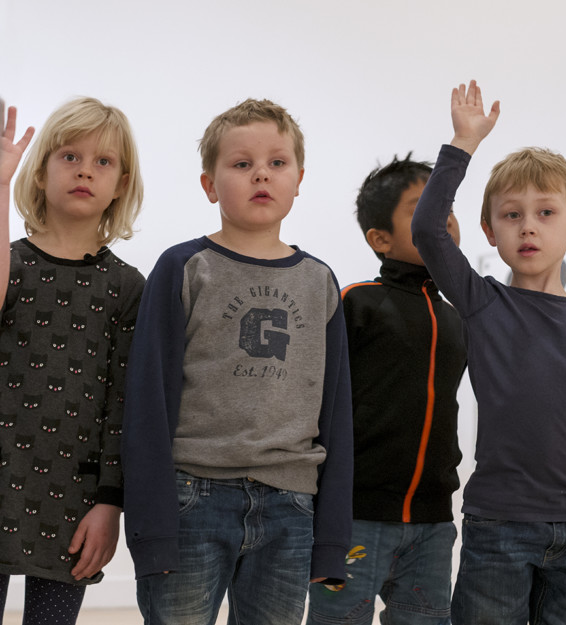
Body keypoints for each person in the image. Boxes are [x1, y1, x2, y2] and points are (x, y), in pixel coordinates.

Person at [411, 80, 566, 625]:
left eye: (545, 213)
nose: (528, 226)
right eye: (511, 215)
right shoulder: (482, 300)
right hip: (499, 527)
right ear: (489, 230)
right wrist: (463, 144)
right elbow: (428, 230)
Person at [121, 99, 353, 625]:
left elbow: (337, 412)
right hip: (192, 498)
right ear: (210, 184)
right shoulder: (184, 266)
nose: (261, 175)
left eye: (277, 162)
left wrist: (332, 540)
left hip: (292, 504)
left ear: (299, 179)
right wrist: (151, 530)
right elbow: (147, 402)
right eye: (241, 164)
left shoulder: (319, 281)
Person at [0, 97, 145, 625]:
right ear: (39, 173)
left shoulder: (128, 287)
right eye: (69, 156)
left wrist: (110, 503)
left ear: (121, 183)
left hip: (74, 495)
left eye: (103, 161)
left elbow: (121, 404)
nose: (86, 169)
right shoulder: (11, 263)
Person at [306, 154, 467, 625]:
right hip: (357, 515)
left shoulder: (458, 317)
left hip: (433, 522)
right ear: (381, 239)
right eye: (423, 208)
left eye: (448, 207)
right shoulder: (358, 302)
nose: (445, 220)